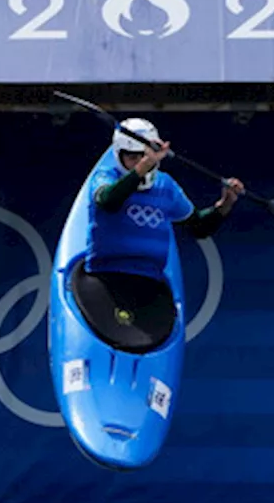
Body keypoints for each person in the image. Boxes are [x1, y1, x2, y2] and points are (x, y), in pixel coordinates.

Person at [76, 117, 244, 350]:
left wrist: (225, 204)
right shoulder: (106, 176)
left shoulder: (167, 187)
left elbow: (199, 227)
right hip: (106, 279)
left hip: (149, 284)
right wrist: (143, 167)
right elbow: (108, 201)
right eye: (131, 157)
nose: (137, 163)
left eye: (142, 157)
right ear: (118, 155)